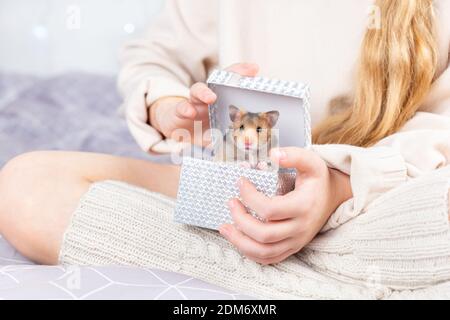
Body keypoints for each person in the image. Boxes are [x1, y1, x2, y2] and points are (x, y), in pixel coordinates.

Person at [1, 0, 450, 298]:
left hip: (379, 196)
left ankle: (288, 274)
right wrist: (171, 106)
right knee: (24, 186)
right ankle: (340, 281)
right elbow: (156, 55)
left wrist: (339, 184)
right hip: (235, 189)